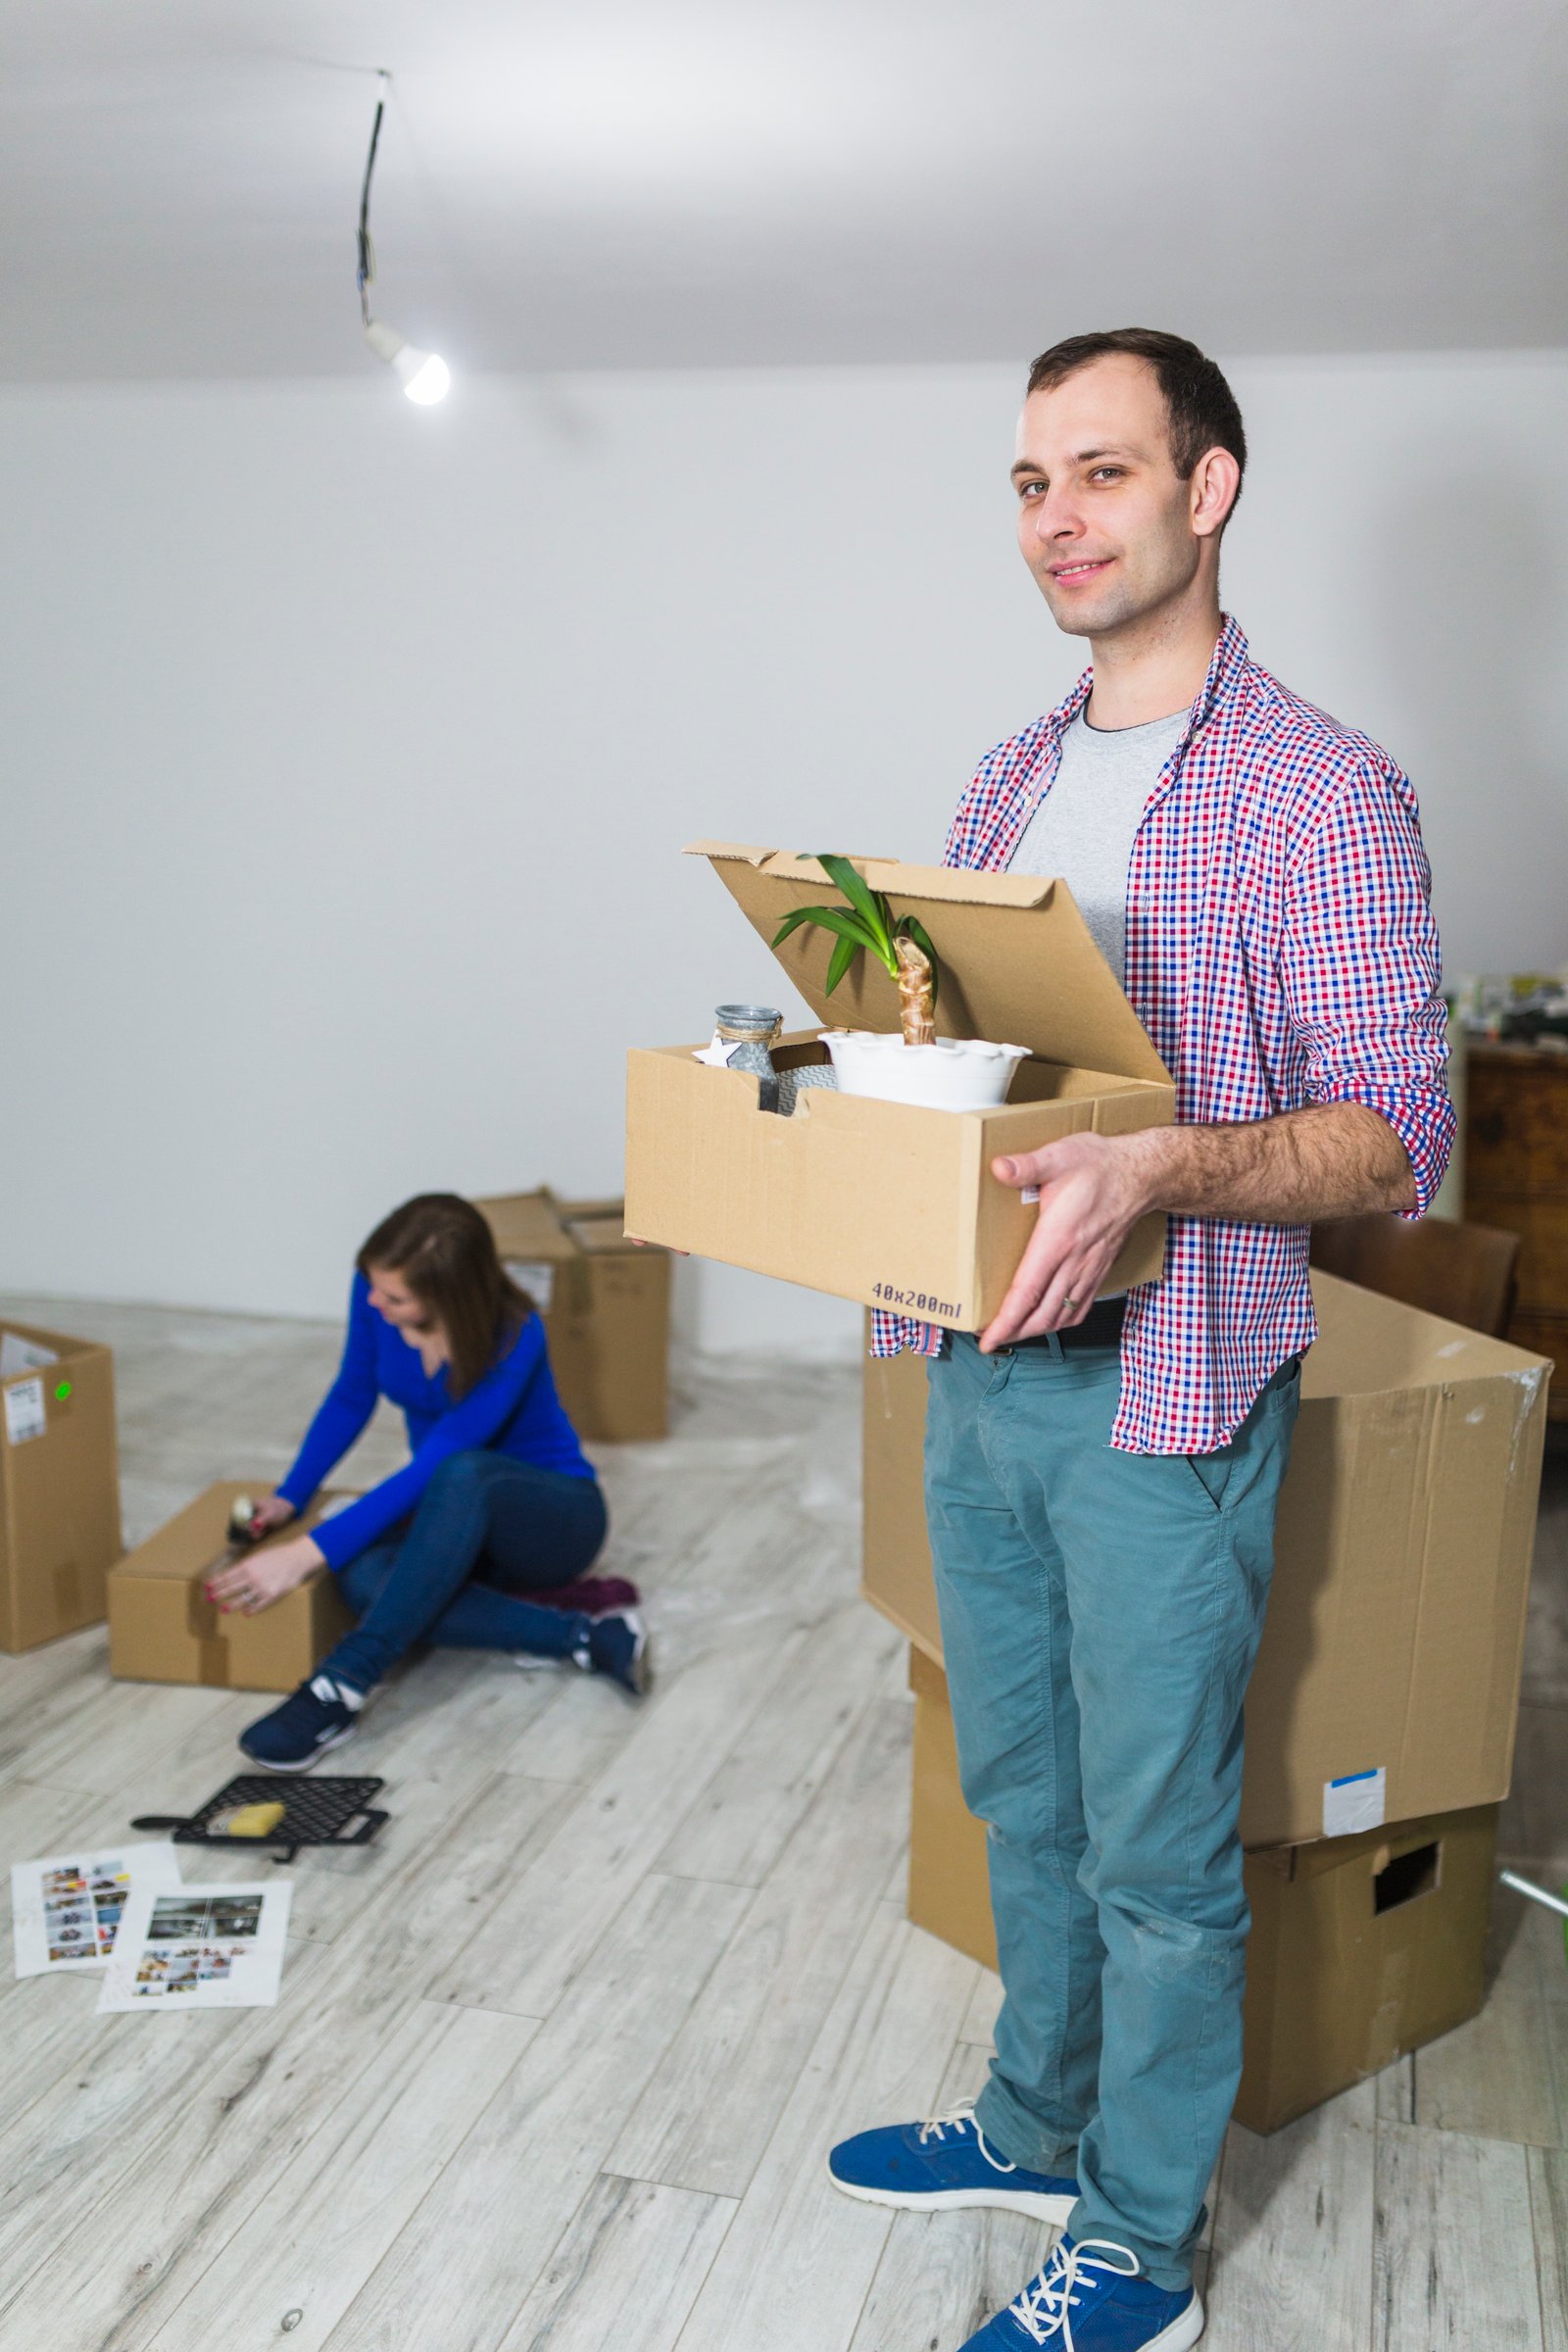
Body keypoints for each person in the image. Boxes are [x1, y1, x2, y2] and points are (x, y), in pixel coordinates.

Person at [825, 331, 1453, 2351]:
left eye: (1096, 473)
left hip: (1169, 1390)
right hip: (976, 1364)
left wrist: (1159, 1165)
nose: (1055, 520)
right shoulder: (1003, 777)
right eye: (1026, 483)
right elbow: (982, 1077)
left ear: (1207, 488)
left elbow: (1395, 1133)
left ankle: (1138, 2241)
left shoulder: (1323, 791)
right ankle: (1029, 2117)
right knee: (1022, 1786)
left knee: (1162, 1856)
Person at [216, 1193, 648, 1771]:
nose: (375, 1301)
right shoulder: (377, 1297)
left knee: (461, 1470)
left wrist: (301, 1555)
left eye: (393, 1297)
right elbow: (351, 1395)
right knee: (365, 1576)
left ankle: (340, 1685)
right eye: (373, 1286)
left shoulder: (517, 1334)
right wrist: (291, 1497)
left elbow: (439, 1461)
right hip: (453, 1517)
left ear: (448, 1295)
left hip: (550, 1520)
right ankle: (586, 1640)